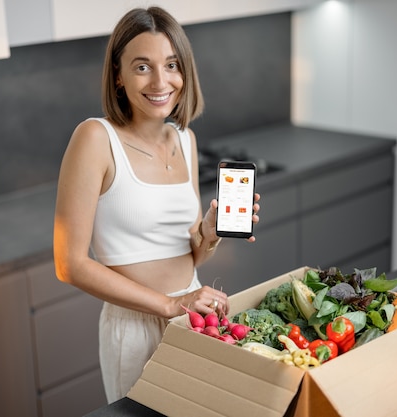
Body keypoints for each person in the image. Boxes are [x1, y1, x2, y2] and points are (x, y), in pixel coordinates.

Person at [53, 6, 260, 403]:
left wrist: (210, 233)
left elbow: (190, 257)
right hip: (134, 327)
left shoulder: (185, 139)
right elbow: (69, 264)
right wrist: (170, 304)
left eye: (171, 65)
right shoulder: (95, 138)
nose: (161, 81)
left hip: (195, 314)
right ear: (118, 75)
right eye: (142, 67)